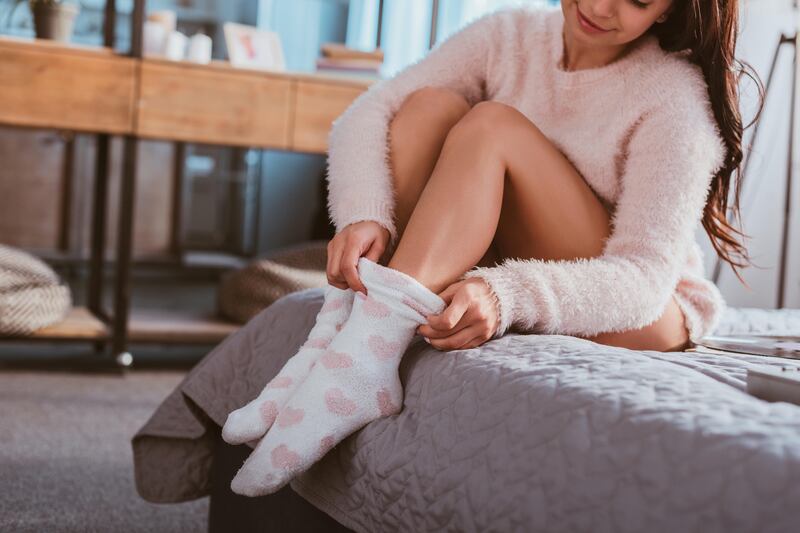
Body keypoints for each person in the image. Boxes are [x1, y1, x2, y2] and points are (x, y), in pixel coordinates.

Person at [221, 0, 763, 496]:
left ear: (668, 10)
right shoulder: (510, 33)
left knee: (491, 126)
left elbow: (643, 282)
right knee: (426, 107)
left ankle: (359, 349)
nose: (601, 7)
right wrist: (365, 212)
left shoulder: (676, 98)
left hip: (641, 308)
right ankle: (350, 343)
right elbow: (368, 111)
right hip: (524, 256)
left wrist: (506, 295)